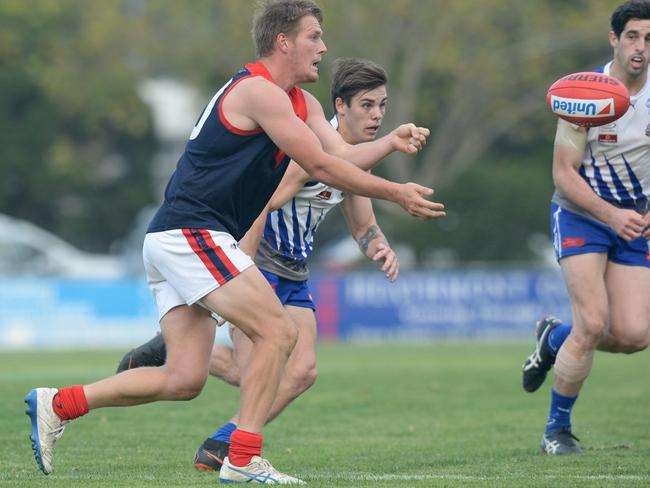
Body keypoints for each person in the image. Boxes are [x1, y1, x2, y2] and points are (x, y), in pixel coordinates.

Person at [25, 1, 445, 484]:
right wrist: (397, 192)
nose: (323, 47)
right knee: (277, 333)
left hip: (178, 237)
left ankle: (58, 404)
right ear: (283, 41)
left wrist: (389, 144)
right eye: (314, 36)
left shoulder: (300, 103)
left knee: (185, 379)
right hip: (191, 233)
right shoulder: (257, 92)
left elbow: (344, 156)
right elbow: (323, 166)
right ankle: (242, 458)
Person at [117, 57, 401, 472]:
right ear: (340, 107)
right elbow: (264, 203)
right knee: (252, 370)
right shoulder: (312, 150)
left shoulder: (358, 161)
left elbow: (362, 225)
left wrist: (379, 247)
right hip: (261, 262)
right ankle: (225, 440)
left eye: (382, 106)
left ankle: (192, 389)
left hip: (294, 270)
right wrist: (241, 265)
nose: (377, 115)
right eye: (368, 105)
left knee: (299, 373)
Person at [521, 0, 650, 455]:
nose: (640, 47)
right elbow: (563, 173)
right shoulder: (586, 93)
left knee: (635, 336)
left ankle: (552, 336)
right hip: (581, 214)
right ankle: (556, 431)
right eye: (632, 36)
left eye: (649, 39)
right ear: (614, 39)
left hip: (636, 218)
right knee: (593, 322)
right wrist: (610, 214)